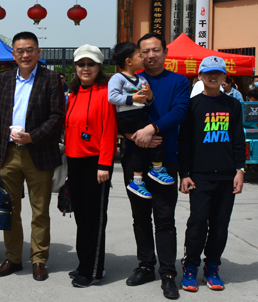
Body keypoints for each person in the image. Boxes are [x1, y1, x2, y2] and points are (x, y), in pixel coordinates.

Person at [0, 31, 65, 282]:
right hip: (9, 153)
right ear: (13, 54)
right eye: (20, 50)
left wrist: (33, 136)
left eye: (30, 49)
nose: (25, 55)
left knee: (39, 210)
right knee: (9, 209)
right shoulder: (4, 79)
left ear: (38, 52)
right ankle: (12, 258)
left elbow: (57, 116)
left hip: (38, 152)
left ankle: (39, 259)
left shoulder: (51, 78)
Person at [122, 33, 189, 300]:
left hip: (166, 159)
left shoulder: (178, 81)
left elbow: (180, 111)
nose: (151, 55)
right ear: (139, 55)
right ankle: (146, 266)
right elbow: (115, 112)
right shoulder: (130, 79)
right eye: (145, 51)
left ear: (165, 52)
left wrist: (152, 128)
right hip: (134, 158)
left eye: (156, 50)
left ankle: (168, 273)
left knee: (164, 218)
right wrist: (133, 136)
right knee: (140, 216)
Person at [179, 56, 245, 292]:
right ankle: (190, 266)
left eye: (218, 73)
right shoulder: (192, 105)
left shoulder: (233, 105)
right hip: (200, 176)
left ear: (225, 77)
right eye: (208, 73)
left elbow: (238, 140)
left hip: (226, 176)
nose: (213, 77)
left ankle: (212, 267)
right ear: (200, 76)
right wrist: (184, 173)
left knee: (220, 225)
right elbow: (184, 143)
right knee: (198, 222)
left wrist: (240, 170)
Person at [64, 44, 117, 287]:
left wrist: (104, 164)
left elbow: (109, 130)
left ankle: (92, 270)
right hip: (74, 161)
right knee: (81, 217)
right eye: (81, 64)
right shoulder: (74, 93)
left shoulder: (106, 92)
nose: (85, 68)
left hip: (96, 163)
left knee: (94, 219)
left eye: (91, 64)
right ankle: (85, 263)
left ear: (99, 67)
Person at [109, 42, 172, 200]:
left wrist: (149, 95)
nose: (143, 58)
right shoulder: (118, 78)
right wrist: (132, 98)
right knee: (155, 133)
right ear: (129, 61)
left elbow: (148, 102)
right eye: (139, 55)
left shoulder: (142, 79)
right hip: (127, 118)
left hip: (139, 116)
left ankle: (137, 180)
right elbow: (112, 97)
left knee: (141, 145)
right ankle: (156, 169)